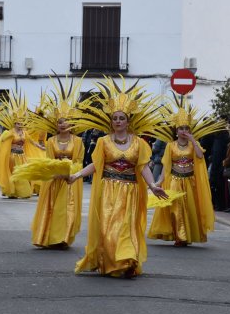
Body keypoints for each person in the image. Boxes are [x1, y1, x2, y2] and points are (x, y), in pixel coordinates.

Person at [68, 77, 167, 278]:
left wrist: (153, 185)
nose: (118, 121)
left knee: (126, 227)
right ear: (111, 121)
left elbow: (143, 167)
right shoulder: (103, 142)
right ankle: (111, 262)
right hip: (108, 191)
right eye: (115, 118)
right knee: (108, 228)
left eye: (122, 118)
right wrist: (77, 175)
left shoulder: (139, 143)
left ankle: (127, 260)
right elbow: (96, 165)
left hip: (130, 191)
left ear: (128, 121)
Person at [148, 103, 224, 245]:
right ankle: (180, 236)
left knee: (189, 209)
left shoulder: (192, 145)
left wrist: (193, 140)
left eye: (186, 128)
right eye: (181, 128)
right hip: (175, 181)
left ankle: (186, 235)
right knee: (176, 209)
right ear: (176, 131)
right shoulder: (171, 146)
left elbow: (200, 156)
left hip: (190, 182)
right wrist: (159, 181)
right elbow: (167, 166)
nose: (184, 131)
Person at [30, 75, 87, 248]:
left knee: (67, 208)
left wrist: (68, 172)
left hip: (69, 180)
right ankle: (50, 236)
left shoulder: (78, 141)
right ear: (56, 124)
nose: (63, 124)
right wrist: (55, 172)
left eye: (66, 121)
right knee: (52, 208)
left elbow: (79, 162)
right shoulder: (50, 141)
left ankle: (63, 237)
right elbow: (49, 160)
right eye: (60, 122)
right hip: (54, 179)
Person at [0, 91, 44, 199]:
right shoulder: (10, 133)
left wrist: (41, 147)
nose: (20, 125)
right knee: (15, 174)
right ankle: (13, 191)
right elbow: (1, 140)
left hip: (22, 156)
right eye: (18, 124)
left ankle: (22, 191)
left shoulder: (25, 132)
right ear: (14, 123)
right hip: (12, 157)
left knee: (24, 174)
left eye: (21, 124)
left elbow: (32, 142)